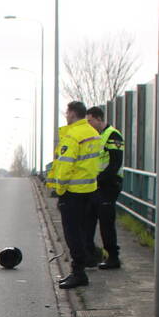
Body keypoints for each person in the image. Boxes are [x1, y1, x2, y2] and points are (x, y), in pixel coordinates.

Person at [46, 101, 103, 289]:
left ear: (72, 113)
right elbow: (99, 164)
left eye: (67, 112)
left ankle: (78, 273)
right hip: (90, 190)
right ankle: (82, 267)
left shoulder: (73, 136)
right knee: (83, 232)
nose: (66, 116)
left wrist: (59, 189)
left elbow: (65, 166)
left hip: (73, 193)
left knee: (73, 235)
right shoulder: (94, 134)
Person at [85, 106, 126, 270]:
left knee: (106, 222)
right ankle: (90, 255)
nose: (88, 124)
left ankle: (113, 257)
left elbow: (115, 163)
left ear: (98, 119)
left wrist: (100, 179)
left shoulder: (113, 135)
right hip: (95, 186)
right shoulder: (97, 136)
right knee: (88, 220)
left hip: (108, 185)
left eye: (90, 121)